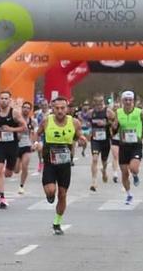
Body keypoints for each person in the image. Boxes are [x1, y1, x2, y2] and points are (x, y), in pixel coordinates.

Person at [40, 95, 79, 234]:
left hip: (65, 164)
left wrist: (83, 140)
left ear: (67, 108)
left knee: (62, 195)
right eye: (57, 108)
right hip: (50, 162)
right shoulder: (46, 121)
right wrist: (35, 143)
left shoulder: (74, 122)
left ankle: (57, 222)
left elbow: (78, 136)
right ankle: (50, 195)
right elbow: (37, 134)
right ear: (52, 109)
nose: (60, 111)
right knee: (51, 191)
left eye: (63, 108)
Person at [0, 90, 25, 209]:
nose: (4, 100)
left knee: (9, 173)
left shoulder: (14, 113)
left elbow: (24, 127)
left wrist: (11, 129)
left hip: (12, 145)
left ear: (10, 100)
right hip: (0, 145)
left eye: (6, 98)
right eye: (2, 98)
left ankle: (10, 168)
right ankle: (2, 197)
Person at [112, 89, 143, 205]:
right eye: (126, 100)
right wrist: (114, 126)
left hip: (136, 144)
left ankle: (135, 175)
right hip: (124, 145)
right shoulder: (118, 112)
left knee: (133, 168)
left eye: (130, 100)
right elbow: (114, 129)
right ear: (122, 101)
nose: (128, 102)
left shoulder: (139, 112)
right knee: (125, 172)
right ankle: (129, 194)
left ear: (133, 101)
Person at [87, 98, 113, 191]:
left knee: (104, 160)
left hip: (105, 140)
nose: (99, 106)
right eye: (97, 104)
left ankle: (104, 170)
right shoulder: (90, 113)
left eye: (101, 103)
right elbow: (87, 123)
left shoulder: (108, 112)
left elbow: (115, 123)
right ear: (95, 104)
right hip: (95, 140)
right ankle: (94, 182)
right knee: (94, 159)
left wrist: (106, 123)